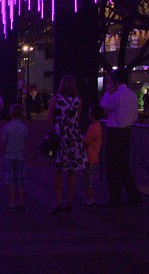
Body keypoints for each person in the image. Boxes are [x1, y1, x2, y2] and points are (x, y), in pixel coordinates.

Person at [99, 69, 141, 207]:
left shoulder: (117, 95)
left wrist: (107, 92)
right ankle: (132, 194)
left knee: (112, 166)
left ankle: (115, 198)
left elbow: (104, 105)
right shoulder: (132, 95)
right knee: (122, 165)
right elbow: (135, 115)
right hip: (126, 131)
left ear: (114, 81)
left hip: (115, 132)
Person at [49, 74, 84, 214]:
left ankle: (58, 202)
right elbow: (78, 119)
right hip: (74, 136)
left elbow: (50, 118)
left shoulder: (55, 99)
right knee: (72, 171)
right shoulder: (78, 101)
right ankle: (69, 201)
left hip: (60, 136)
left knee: (58, 170)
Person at [0, 103, 28, 210]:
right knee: (20, 180)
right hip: (20, 155)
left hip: (9, 155)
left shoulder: (7, 127)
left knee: (10, 179)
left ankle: (12, 202)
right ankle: (21, 202)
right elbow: (26, 142)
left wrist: (4, 150)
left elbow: (4, 141)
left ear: (11, 113)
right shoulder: (24, 128)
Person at [81, 104, 105, 207]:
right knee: (89, 179)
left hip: (90, 156)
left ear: (92, 116)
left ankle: (90, 199)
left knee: (88, 180)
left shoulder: (93, 127)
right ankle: (89, 199)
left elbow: (86, 140)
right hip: (94, 155)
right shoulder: (98, 126)